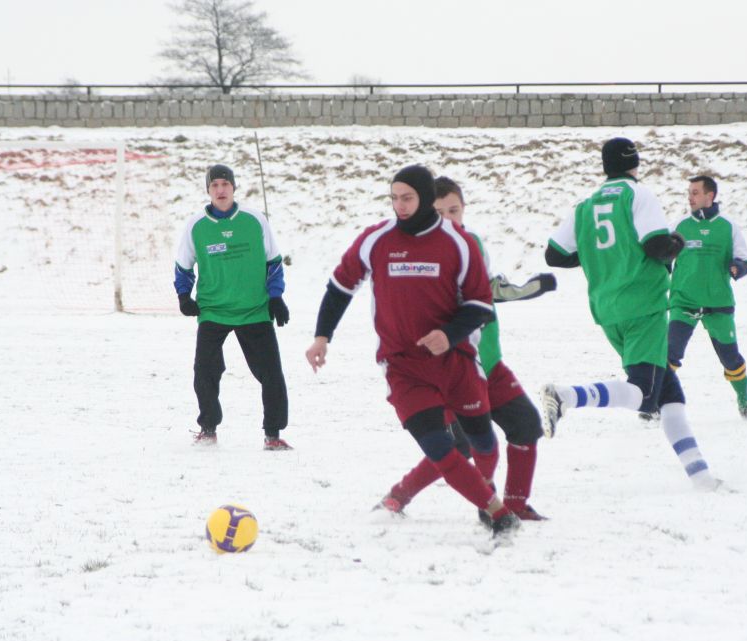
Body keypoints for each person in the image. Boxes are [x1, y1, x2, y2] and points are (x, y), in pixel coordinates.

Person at [305, 164, 520, 535]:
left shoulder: (458, 242)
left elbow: (481, 303)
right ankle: (496, 512)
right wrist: (322, 336)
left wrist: (450, 335)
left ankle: (484, 504)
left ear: (423, 198)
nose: (400, 206)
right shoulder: (376, 239)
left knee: (483, 442)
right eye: (394, 198)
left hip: (456, 361)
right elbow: (340, 286)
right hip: (403, 366)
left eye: (407, 198)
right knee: (441, 446)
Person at [539, 138, 720, 491]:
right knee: (643, 395)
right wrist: (678, 243)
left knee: (670, 396)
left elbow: (555, 254)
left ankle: (702, 478)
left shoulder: (584, 205)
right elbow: (657, 246)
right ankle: (566, 396)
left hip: (608, 309)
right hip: (644, 303)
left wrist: (600, 255)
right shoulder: (638, 194)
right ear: (635, 163)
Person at [376, 176, 557, 523]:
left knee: (526, 425)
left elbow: (486, 290)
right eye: (440, 212)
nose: (449, 218)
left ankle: (515, 504)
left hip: (489, 363)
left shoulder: (470, 243)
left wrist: (519, 289)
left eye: (454, 210)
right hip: (451, 372)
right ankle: (398, 496)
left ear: (464, 209)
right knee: (459, 446)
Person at [174, 164, 293, 450]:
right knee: (205, 370)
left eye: (225, 184)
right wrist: (183, 296)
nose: (220, 189)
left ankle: (273, 434)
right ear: (208, 190)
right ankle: (208, 427)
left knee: (271, 373)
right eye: (214, 185)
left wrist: (276, 297)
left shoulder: (254, 220)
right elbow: (183, 266)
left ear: (234, 187)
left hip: (254, 309)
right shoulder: (196, 225)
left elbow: (274, 263)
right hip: (213, 310)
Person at [666, 175, 747, 419]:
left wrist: (738, 267)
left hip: (718, 303)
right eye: (689, 192)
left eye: (695, 192)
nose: (690, 197)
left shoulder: (727, 226)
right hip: (683, 302)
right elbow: (662, 258)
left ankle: (744, 398)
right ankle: (655, 404)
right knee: (668, 354)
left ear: (710, 195)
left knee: (731, 359)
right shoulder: (680, 225)